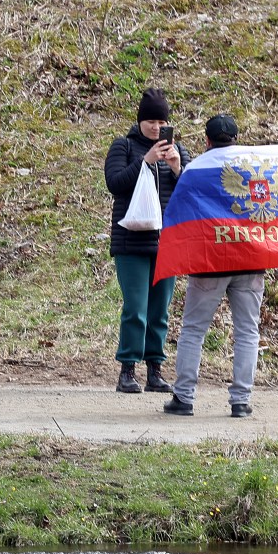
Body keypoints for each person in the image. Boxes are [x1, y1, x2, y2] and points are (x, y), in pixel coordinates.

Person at [163, 115, 263, 418]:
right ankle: (241, 401)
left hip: (210, 261)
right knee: (247, 331)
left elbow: (183, 210)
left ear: (207, 141)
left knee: (193, 330)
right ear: (236, 138)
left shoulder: (196, 169)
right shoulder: (255, 165)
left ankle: (184, 398)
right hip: (251, 257)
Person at [105, 88, 191, 393]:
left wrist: (178, 168)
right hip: (131, 242)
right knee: (135, 308)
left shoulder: (175, 150)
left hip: (166, 242)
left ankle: (155, 370)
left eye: (161, 121)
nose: (156, 127)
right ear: (140, 121)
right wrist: (145, 160)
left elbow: (190, 193)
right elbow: (114, 184)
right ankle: (127, 370)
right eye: (151, 121)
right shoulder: (124, 146)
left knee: (160, 310)